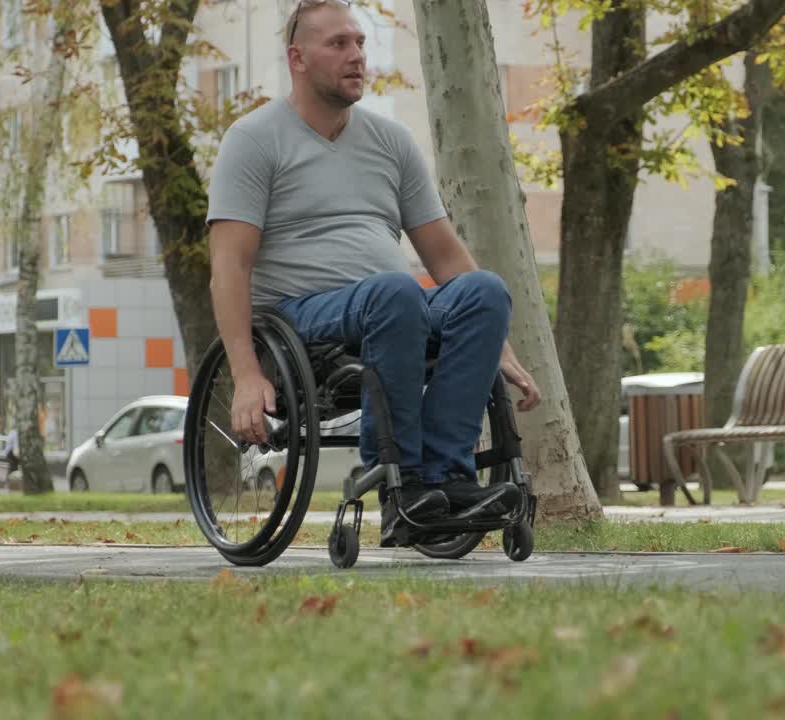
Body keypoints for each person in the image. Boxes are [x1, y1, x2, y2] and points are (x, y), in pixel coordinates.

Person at [205, 0, 541, 545]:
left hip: (394, 308)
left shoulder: (391, 142)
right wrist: (245, 374)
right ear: (297, 57)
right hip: (302, 319)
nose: (356, 55)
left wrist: (501, 348)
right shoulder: (253, 140)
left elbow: (447, 256)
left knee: (483, 290)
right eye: (338, 44)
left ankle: (444, 477)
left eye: (359, 43)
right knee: (395, 293)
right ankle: (400, 486)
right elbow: (228, 267)